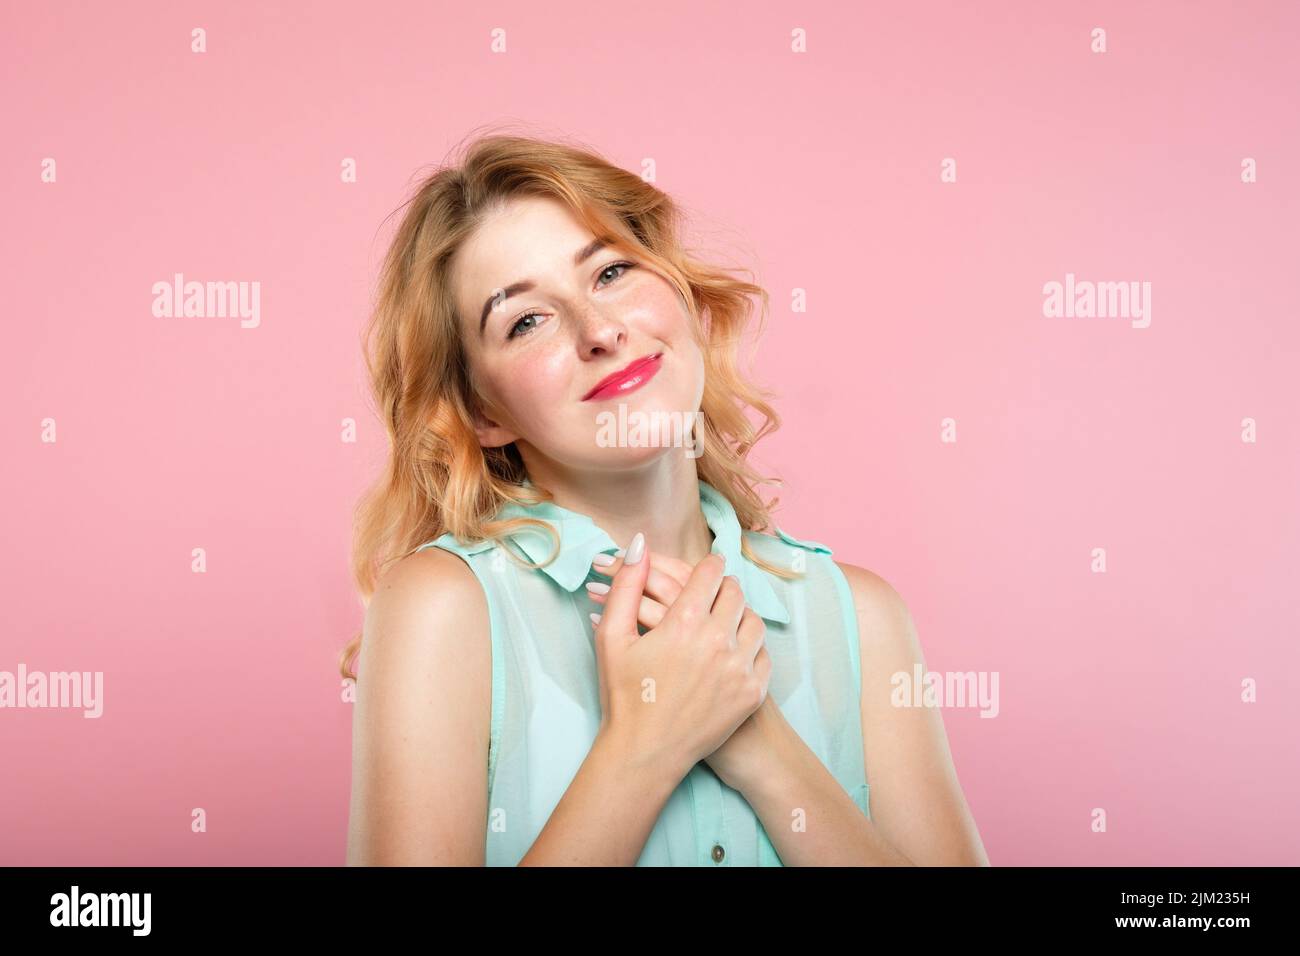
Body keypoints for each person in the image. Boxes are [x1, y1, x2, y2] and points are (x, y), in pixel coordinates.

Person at [342, 129, 989, 866]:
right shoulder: (444, 607)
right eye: (526, 320)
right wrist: (648, 743)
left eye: (611, 272)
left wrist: (761, 745)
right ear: (484, 414)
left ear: (680, 294)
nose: (600, 331)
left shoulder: (859, 618)